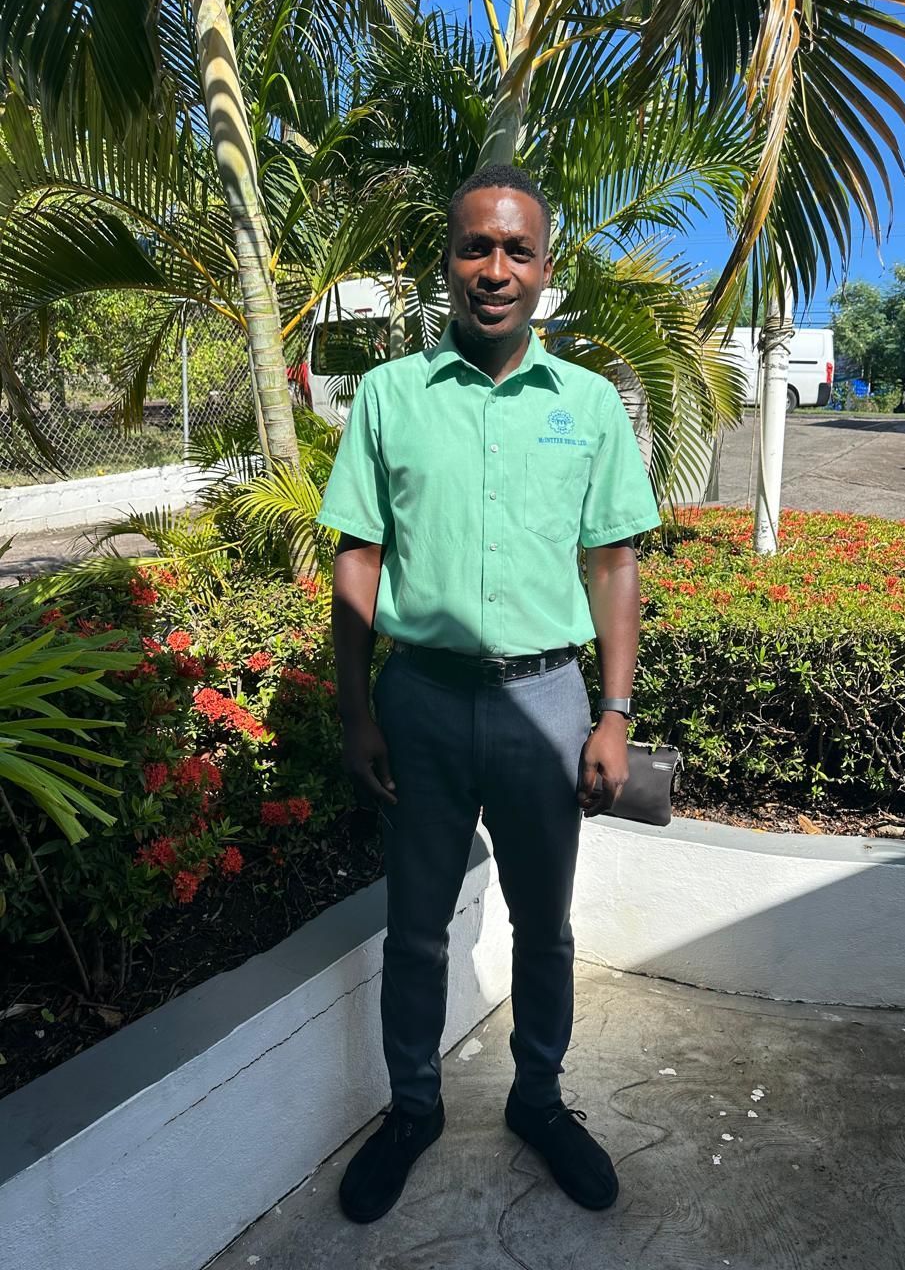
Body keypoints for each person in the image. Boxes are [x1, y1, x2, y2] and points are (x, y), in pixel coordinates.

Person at [318, 164, 661, 1224]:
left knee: (545, 927)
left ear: (545, 270)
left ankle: (540, 1099)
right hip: (418, 696)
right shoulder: (390, 396)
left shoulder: (590, 404)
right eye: (476, 247)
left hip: (547, 700)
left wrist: (614, 713)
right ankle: (413, 1107)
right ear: (448, 264)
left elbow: (613, 563)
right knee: (416, 927)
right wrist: (353, 703)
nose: (495, 268)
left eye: (516, 249)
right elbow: (358, 555)